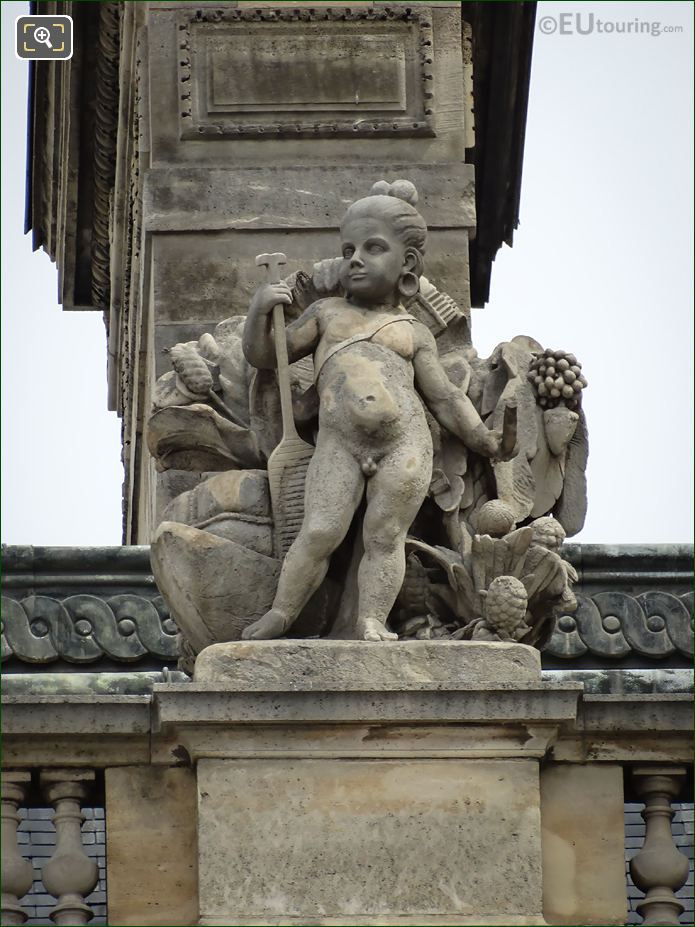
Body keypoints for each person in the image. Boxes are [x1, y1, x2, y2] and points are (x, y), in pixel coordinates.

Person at [242, 179, 515, 641]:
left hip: (404, 444)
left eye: (372, 248)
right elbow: (269, 354)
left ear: (407, 263)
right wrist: (257, 311)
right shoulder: (327, 314)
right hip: (339, 444)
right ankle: (281, 613)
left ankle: (370, 618)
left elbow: (446, 399)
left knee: (384, 537)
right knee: (319, 531)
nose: (355, 258)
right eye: (349, 248)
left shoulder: (413, 331)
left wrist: (486, 441)